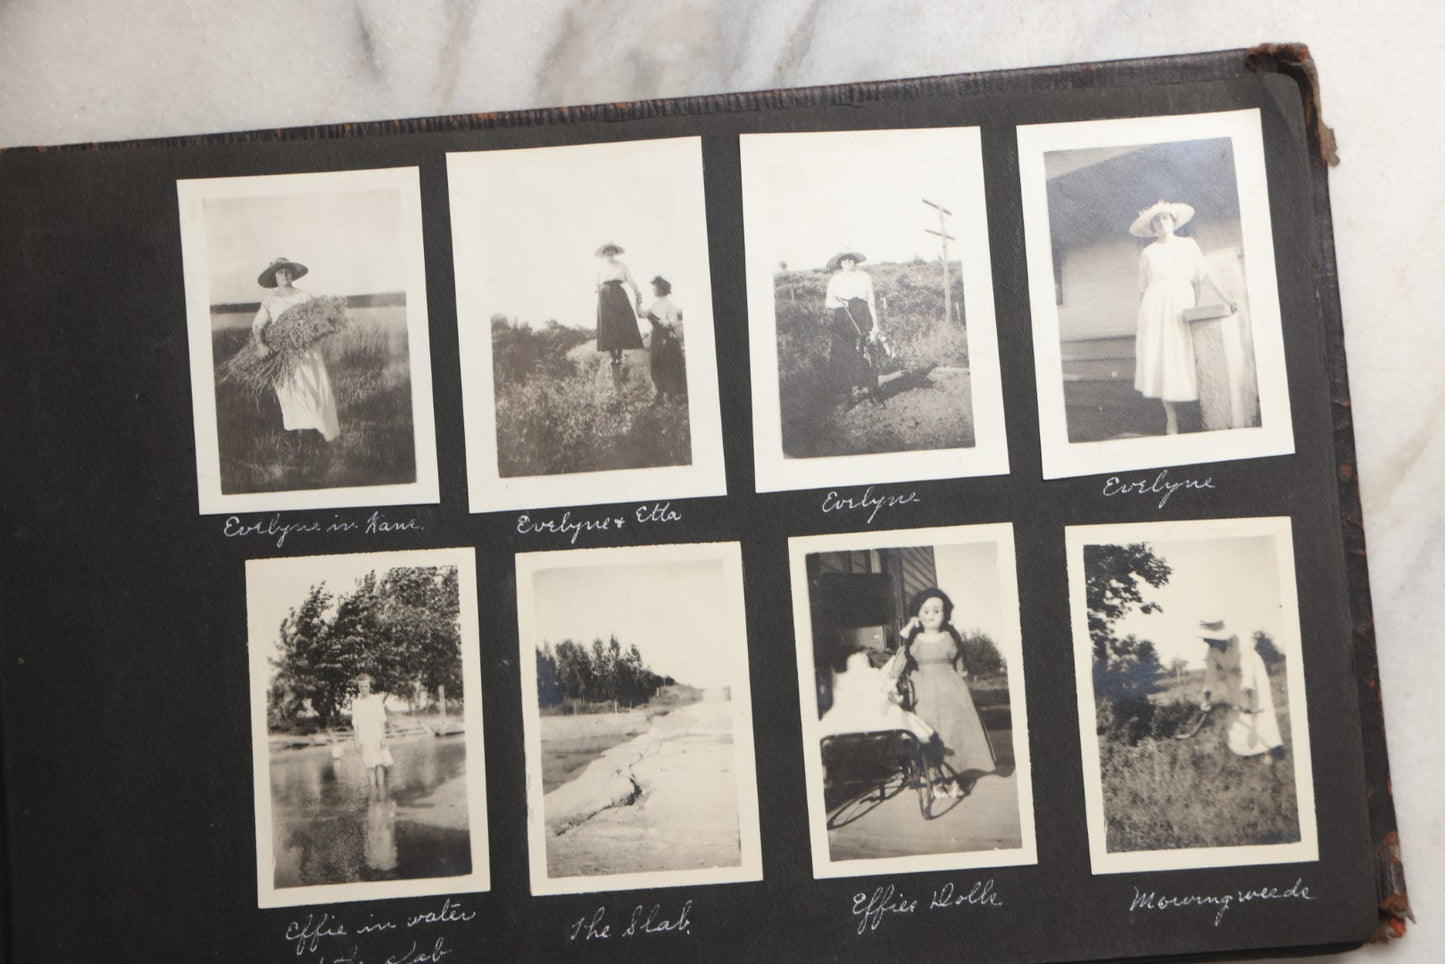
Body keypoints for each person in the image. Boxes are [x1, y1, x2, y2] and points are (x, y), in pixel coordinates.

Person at [1129, 202, 1236, 435]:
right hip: (1155, 307)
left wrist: (1227, 299)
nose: (1161, 223)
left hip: (1181, 303)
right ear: (1152, 227)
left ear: (1173, 221)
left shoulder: (1189, 245)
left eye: (1165, 218)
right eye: (1156, 221)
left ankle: (1200, 410)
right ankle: (1172, 418)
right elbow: (1142, 289)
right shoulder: (1148, 253)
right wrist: (1142, 322)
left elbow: (1205, 274)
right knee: (1163, 356)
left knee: (1185, 353)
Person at [898, 588, 995, 796]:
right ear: (917, 615)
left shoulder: (950, 637)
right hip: (923, 695)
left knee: (954, 733)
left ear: (945, 613)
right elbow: (899, 663)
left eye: (937, 610)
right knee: (930, 734)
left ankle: (955, 780)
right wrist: (906, 632)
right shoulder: (913, 640)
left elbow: (960, 665)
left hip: (951, 693)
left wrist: (963, 680)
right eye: (926, 611)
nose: (931, 615)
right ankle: (936, 782)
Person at [250, 256, 340, 442]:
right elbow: (258, 325)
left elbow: (319, 320)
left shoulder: (304, 297)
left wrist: (325, 326)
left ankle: (318, 436)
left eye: (287, 271)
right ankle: (299, 439)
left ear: (292, 275)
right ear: (275, 277)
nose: (284, 274)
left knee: (315, 388)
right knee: (291, 392)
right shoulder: (270, 300)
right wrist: (261, 344)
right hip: (284, 355)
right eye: (280, 272)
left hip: (308, 351)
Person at [1197, 619, 1285, 760]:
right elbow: (1210, 676)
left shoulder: (1241, 644)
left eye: (1207, 638)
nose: (1205, 641)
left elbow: (1248, 673)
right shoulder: (1212, 651)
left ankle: (1271, 748)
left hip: (1254, 673)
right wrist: (1206, 700)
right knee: (1238, 714)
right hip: (1235, 678)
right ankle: (1248, 750)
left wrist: (1247, 698)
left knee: (1259, 707)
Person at [823, 250, 884, 407]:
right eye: (844, 260)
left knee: (869, 353)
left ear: (855, 261)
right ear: (840, 263)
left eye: (851, 259)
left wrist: (875, 325)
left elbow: (871, 302)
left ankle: (873, 392)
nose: (848, 261)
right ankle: (847, 396)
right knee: (844, 355)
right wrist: (843, 303)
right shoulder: (835, 280)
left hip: (863, 315)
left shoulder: (865, 277)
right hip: (843, 318)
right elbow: (828, 303)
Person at [594, 242, 644, 385]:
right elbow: (596, 284)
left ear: (615, 252)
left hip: (618, 293)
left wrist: (637, 292)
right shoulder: (600, 268)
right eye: (607, 251)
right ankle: (612, 355)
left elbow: (630, 280)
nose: (610, 253)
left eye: (612, 251)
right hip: (604, 295)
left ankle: (619, 355)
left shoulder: (622, 265)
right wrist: (598, 291)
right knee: (607, 325)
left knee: (620, 324)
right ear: (604, 254)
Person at [643, 275, 687, 401]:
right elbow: (643, 314)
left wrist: (663, 322)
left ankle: (671, 393)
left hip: (666, 337)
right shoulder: (654, 305)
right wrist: (637, 303)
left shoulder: (669, 305)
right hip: (656, 336)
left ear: (661, 289)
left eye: (655, 287)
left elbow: (674, 322)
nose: (653, 290)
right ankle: (659, 392)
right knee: (655, 363)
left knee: (667, 363)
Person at [351, 674, 393, 799]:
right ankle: (373, 793)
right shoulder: (356, 703)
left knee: (380, 764)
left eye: (365, 686)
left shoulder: (376, 700)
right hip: (365, 737)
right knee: (370, 765)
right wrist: (356, 741)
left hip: (376, 735)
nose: (363, 689)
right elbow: (355, 723)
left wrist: (383, 738)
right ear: (358, 688)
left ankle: (381, 793)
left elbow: (382, 720)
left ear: (369, 686)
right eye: (361, 687)